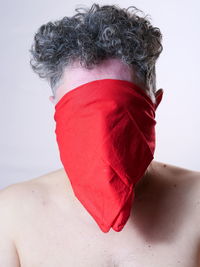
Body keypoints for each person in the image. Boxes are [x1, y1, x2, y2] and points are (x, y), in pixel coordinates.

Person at [0, 3, 200, 266]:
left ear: (154, 104)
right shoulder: (12, 214)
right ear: (55, 108)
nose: (104, 141)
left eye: (120, 113)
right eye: (82, 113)